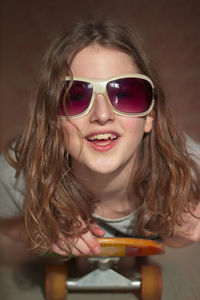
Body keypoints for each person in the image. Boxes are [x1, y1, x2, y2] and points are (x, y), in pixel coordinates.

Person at [0, 17, 200, 259]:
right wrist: (32, 229)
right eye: (74, 97)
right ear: (52, 119)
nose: (102, 115)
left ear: (149, 117)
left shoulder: (186, 163)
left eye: (125, 94)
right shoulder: (20, 171)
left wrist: (181, 234)